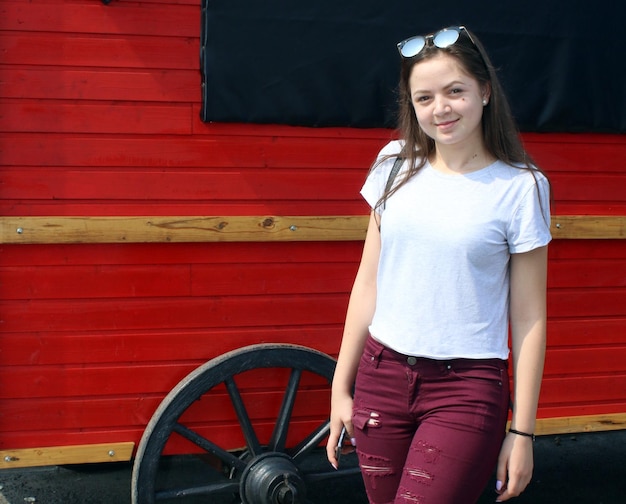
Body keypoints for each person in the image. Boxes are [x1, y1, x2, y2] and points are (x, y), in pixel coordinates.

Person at [326, 25, 551, 504]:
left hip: (466, 389)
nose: (440, 108)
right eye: (423, 97)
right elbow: (368, 283)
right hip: (381, 377)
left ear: (485, 91)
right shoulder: (392, 165)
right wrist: (340, 386)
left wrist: (524, 432)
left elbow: (529, 316)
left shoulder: (521, 187)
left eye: (455, 91)